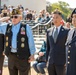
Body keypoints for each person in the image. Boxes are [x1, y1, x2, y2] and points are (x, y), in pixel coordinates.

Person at [0, 8, 36, 75]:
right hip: (11, 56)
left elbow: (31, 41)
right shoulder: (7, 27)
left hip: (23, 56)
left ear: (20, 18)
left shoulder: (25, 27)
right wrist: (2, 19)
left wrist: (32, 54)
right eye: (12, 17)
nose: (13, 19)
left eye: (15, 17)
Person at [46, 10, 69, 75]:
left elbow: (67, 48)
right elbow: (48, 47)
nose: (55, 19)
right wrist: (47, 60)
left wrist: (66, 61)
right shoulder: (49, 31)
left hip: (61, 62)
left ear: (61, 18)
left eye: (56, 17)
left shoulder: (66, 31)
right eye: (53, 18)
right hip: (51, 62)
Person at [65, 8, 76, 75]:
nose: (74, 19)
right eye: (73, 17)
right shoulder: (70, 32)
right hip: (70, 70)